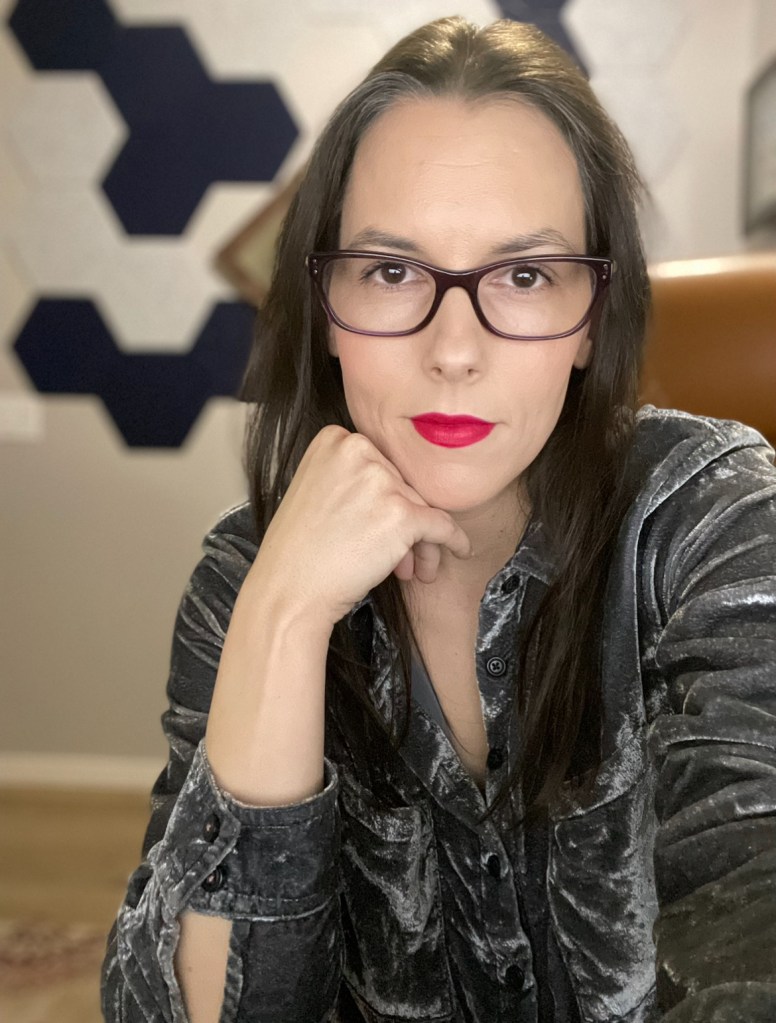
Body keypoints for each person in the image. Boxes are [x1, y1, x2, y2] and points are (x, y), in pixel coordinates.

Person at [101, 16, 776, 1023]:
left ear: (591, 320)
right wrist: (282, 617)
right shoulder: (244, 571)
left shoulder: (712, 520)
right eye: (391, 271)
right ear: (326, 308)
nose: (453, 350)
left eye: (523, 275)